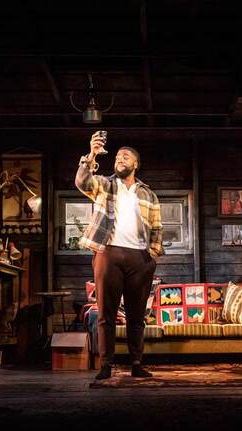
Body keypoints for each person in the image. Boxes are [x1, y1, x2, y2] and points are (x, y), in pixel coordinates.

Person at [76, 132, 163, 380]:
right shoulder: (105, 184)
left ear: (135, 164)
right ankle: (106, 365)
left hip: (139, 259)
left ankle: (136, 363)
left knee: (137, 317)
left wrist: (152, 257)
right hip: (108, 253)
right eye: (116, 157)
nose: (119, 159)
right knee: (106, 314)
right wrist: (91, 155)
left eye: (125, 157)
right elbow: (83, 182)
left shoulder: (148, 194)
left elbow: (157, 228)